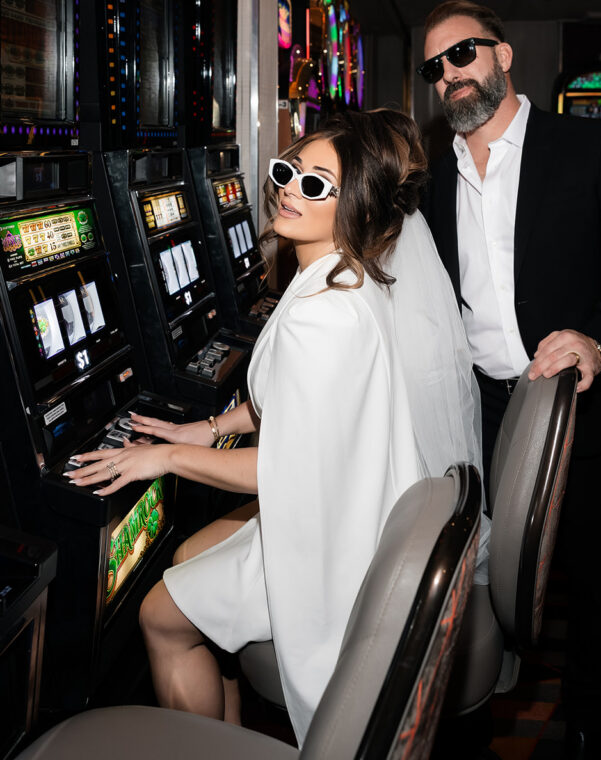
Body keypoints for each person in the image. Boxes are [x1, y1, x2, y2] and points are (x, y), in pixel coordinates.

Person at [67, 108, 485, 745]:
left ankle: (207, 749)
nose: (290, 189)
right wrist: (209, 428)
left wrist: (162, 459)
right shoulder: (342, 275)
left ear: (358, 207)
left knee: (159, 616)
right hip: (346, 508)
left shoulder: (326, 315)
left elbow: (277, 470)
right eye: (290, 172)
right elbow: (285, 400)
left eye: (317, 184)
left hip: (329, 544)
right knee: (186, 559)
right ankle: (230, 732)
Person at [419, 0, 601, 758]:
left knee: (589, 570)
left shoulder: (587, 147)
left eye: (462, 54)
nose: (450, 76)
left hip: (577, 404)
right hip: (484, 408)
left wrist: (598, 341)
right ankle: (486, 699)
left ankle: (589, 719)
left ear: (501, 55)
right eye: (434, 68)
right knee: (497, 569)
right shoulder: (434, 183)